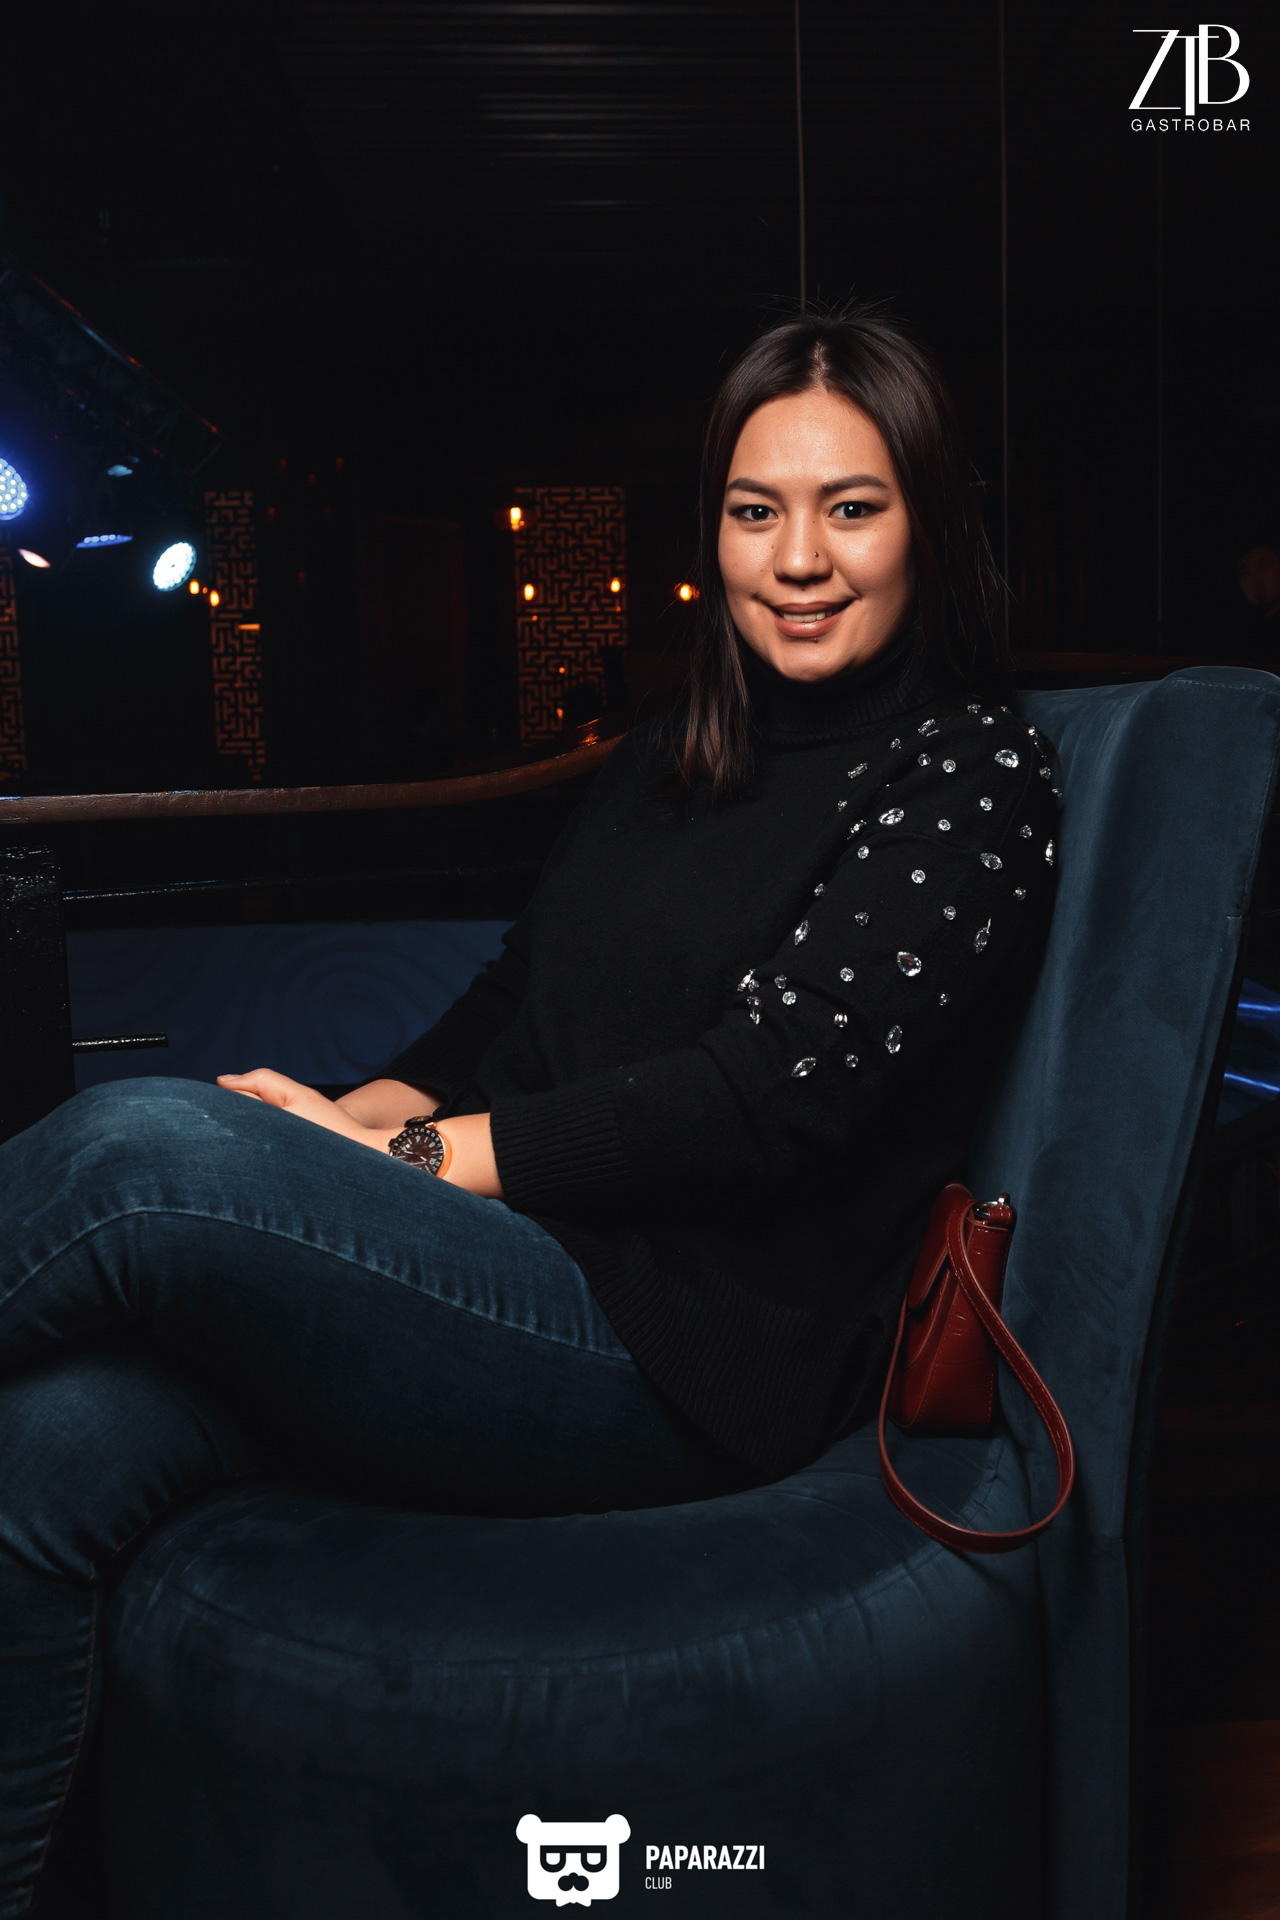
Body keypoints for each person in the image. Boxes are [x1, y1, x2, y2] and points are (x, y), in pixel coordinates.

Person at [0, 303, 1058, 1909]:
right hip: (512, 1267)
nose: (799, 559)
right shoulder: (679, 748)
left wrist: (407, 1161)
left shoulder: (971, 775)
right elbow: (513, 998)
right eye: (756, 510)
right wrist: (360, 1116)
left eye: (853, 507)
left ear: (930, 525)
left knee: (139, 1155)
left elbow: (758, 1105)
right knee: (56, 1442)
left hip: (687, 1348)